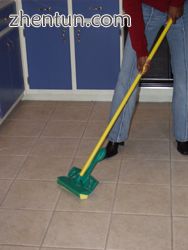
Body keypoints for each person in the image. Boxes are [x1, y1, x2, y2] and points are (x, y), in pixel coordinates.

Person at [105, 0, 188, 157]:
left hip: (181, 11)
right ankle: (115, 136)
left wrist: (176, 2)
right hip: (147, 8)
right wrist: (141, 51)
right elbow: (131, 6)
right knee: (128, 75)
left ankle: (184, 135)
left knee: (185, 74)